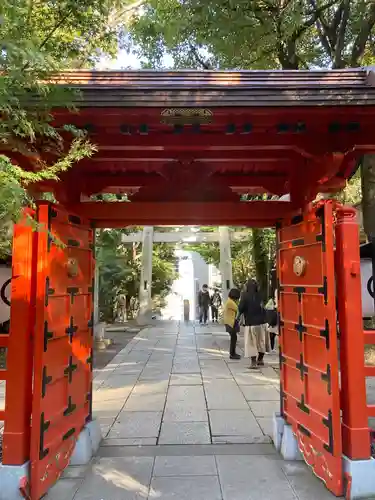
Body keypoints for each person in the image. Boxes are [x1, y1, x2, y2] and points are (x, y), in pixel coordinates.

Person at [238, 278, 267, 369]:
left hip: (250, 322)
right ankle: (260, 359)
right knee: (261, 342)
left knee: (251, 343)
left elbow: (241, 308)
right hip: (262, 322)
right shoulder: (261, 295)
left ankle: (253, 362)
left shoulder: (244, 295)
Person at [223, 288, 241, 359]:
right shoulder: (230, 302)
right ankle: (232, 354)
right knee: (234, 338)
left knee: (234, 338)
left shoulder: (230, 301)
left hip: (230, 322)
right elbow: (238, 309)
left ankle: (233, 353)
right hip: (230, 323)